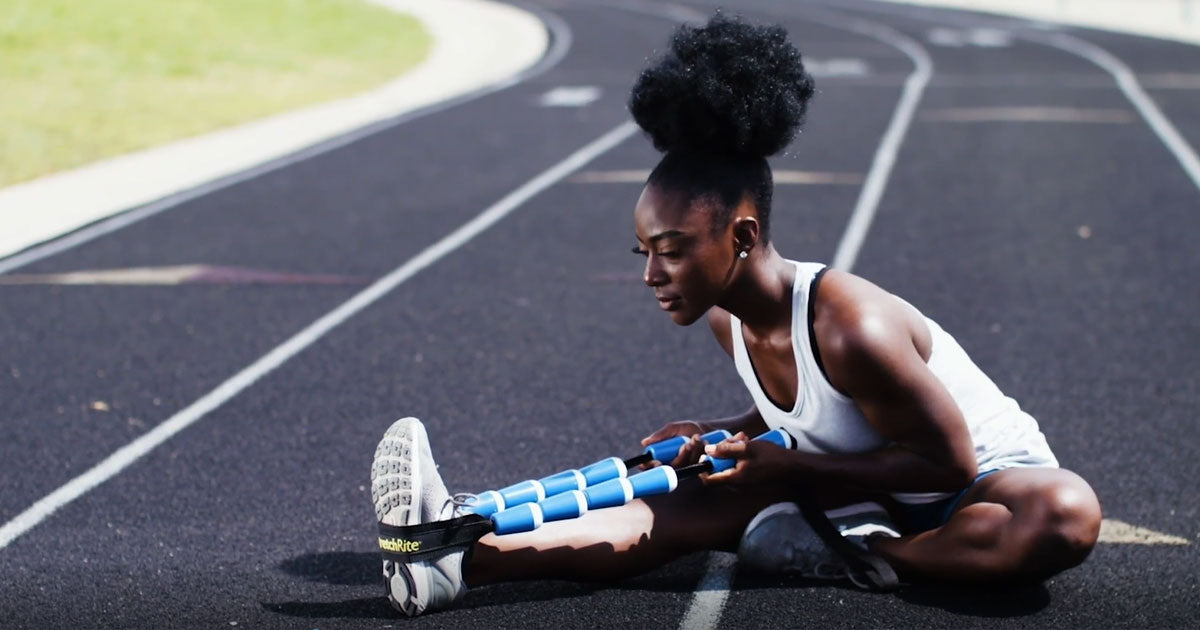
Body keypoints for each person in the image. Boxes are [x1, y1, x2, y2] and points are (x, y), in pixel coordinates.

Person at [368, 13, 1102, 616]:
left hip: (979, 490)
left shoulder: (852, 325)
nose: (653, 273)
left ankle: (861, 552)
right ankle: (457, 558)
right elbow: (817, 414)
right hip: (847, 482)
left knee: (1066, 514)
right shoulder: (728, 315)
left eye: (674, 250)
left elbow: (949, 463)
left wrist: (792, 466)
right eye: (644, 252)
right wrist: (727, 433)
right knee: (669, 509)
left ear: (742, 237)